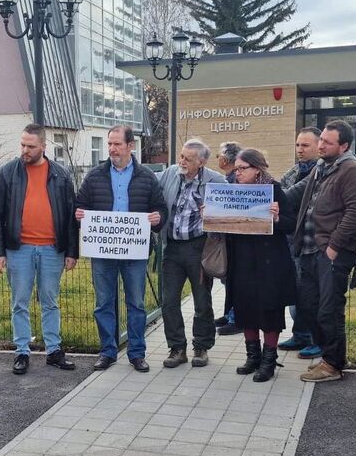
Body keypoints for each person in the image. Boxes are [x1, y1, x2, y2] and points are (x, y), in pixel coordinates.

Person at [76, 125, 167, 373]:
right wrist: (79, 214)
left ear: (130, 146)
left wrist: (158, 218)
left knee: (136, 303)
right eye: (109, 144)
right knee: (103, 302)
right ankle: (108, 351)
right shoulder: (95, 176)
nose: (112, 149)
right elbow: (80, 204)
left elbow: (160, 208)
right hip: (103, 251)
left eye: (117, 144)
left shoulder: (146, 176)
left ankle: (137, 353)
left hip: (134, 252)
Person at [0, 124, 78, 375]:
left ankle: (53, 350)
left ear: (43, 147)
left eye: (31, 146)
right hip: (19, 249)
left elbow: (71, 216)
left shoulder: (61, 174)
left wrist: (72, 251)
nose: (25, 150)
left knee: (50, 301)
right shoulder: (8, 173)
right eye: (22, 145)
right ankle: (22, 351)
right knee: (20, 302)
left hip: (53, 249)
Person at [289, 119, 356, 383]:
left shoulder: (351, 170)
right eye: (321, 139)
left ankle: (333, 364)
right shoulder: (321, 168)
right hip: (309, 250)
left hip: (331, 252)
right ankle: (326, 357)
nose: (321, 145)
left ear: (343, 145)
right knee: (308, 306)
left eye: (327, 142)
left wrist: (334, 247)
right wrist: (263, 192)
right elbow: (294, 194)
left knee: (329, 309)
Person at [227, 149, 298, 382]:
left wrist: (276, 218)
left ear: (257, 168)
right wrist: (211, 214)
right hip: (242, 260)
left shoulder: (273, 189)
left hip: (269, 262)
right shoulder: (232, 192)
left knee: (269, 309)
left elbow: (290, 224)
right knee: (245, 307)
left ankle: (268, 361)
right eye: (235, 168)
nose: (237, 173)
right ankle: (252, 356)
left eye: (242, 168)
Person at [156, 138, 225, 368]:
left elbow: (232, 207)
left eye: (188, 158)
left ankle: (201, 347)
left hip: (199, 247)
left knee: (202, 300)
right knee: (169, 301)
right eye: (181, 156)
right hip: (172, 247)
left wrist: (214, 212)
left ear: (202, 162)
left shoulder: (215, 180)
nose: (181, 161)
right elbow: (152, 192)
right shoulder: (170, 174)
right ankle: (177, 348)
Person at [280, 127, 322, 357]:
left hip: (311, 242)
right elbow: (280, 193)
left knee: (308, 294)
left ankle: (317, 338)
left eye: (305, 145)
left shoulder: (321, 173)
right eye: (297, 145)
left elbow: (285, 197)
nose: (300, 150)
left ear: (319, 145)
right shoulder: (294, 171)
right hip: (290, 240)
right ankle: (301, 335)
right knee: (295, 290)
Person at [214, 141, 242, 336]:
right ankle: (229, 312)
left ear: (225, 159)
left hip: (236, 239)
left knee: (235, 279)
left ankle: (236, 318)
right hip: (228, 238)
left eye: (218, 156)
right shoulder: (228, 178)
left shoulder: (234, 181)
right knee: (228, 279)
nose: (217, 159)